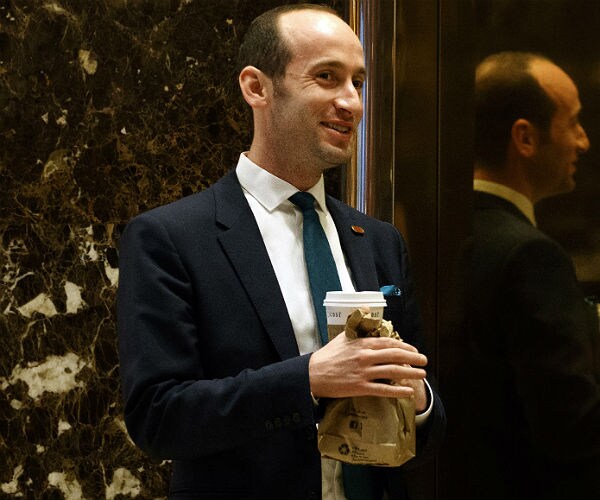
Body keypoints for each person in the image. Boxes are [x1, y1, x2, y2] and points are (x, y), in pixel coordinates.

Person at [117, 4, 445, 500]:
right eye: (327, 77)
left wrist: (417, 402)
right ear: (257, 87)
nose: (352, 102)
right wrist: (309, 378)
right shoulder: (171, 237)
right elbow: (158, 417)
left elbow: (428, 421)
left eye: (358, 82)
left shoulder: (379, 240)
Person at [461, 50, 600, 498]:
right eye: (572, 123)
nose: (583, 141)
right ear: (525, 137)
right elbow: (572, 429)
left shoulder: (441, 232)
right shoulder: (532, 255)